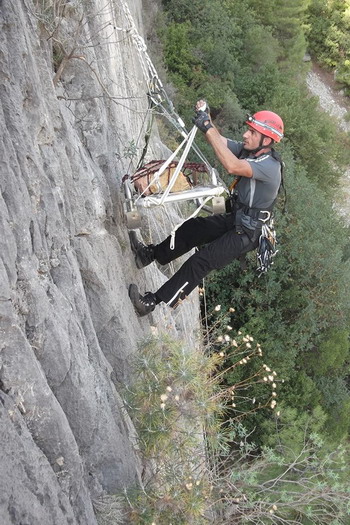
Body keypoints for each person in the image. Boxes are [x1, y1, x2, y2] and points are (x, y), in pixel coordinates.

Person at [128, 101, 284, 316]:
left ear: (266, 140)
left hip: (248, 233)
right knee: (193, 228)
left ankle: (152, 302)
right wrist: (206, 120)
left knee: (201, 262)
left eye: (252, 132)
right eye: (248, 130)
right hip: (237, 217)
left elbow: (232, 166)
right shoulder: (250, 151)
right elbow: (219, 141)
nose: (246, 135)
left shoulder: (269, 166)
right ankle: (150, 254)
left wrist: (207, 127)